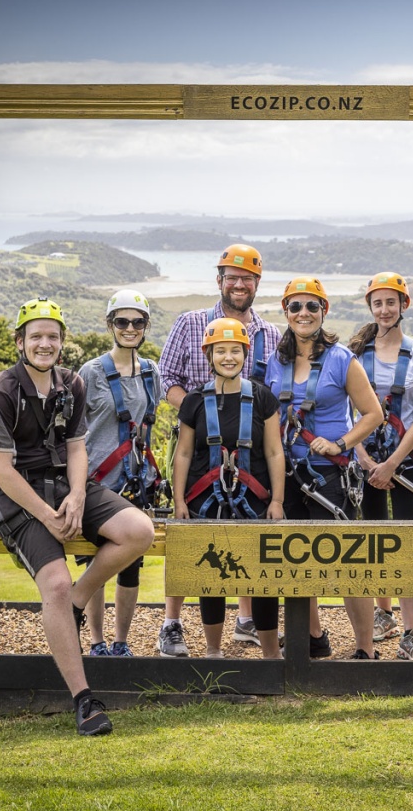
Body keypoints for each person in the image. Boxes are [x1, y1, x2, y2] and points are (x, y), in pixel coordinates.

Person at [0, 297, 155, 736]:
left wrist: (76, 497)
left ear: (62, 342)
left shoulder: (70, 384)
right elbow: (1, 469)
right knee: (54, 583)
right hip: (17, 496)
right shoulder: (1, 392)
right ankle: (83, 699)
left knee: (139, 530)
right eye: (36, 336)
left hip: (65, 485)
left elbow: (77, 447)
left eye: (52, 336)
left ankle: (77, 602)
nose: (45, 344)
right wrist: (46, 515)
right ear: (20, 341)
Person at [156, 243, 283, 657]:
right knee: (198, 545)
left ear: (257, 283)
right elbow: (167, 377)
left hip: (252, 455)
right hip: (199, 449)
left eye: (247, 278)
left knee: (249, 547)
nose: (240, 284)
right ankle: (172, 623)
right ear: (220, 281)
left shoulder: (269, 334)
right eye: (232, 277)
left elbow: (273, 398)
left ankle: (247, 622)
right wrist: (204, 412)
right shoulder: (191, 323)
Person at [266, 276, 384, 659]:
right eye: (296, 307)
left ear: (323, 311)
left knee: (349, 564)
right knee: (295, 560)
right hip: (288, 473)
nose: (304, 313)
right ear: (286, 313)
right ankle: (313, 637)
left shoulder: (340, 359)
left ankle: (365, 648)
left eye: (311, 306)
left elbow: (372, 414)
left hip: (330, 474)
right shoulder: (276, 362)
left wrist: (340, 444)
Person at [347, 272, 413, 661]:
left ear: (404, 305)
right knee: (371, 543)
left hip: (407, 463)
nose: (385, 310)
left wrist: (390, 464)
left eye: (391, 302)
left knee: (407, 546)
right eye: (378, 303)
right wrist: (366, 460)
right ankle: (382, 614)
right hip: (365, 461)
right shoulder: (354, 355)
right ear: (370, 308)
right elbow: (347, 410)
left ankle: (412, 631)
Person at [75, 289, 166, 657]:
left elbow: (148, 423)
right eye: (122, 322)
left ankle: (121, 642)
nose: (130, 328)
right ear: (110, 325)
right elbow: (76, 434)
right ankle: (96, 641)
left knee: (131, 566)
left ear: (145, 326)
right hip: (97, 481)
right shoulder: (91, 373)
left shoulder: (150, 372)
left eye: (137, 322)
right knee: (97, 561)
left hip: (134, 483)